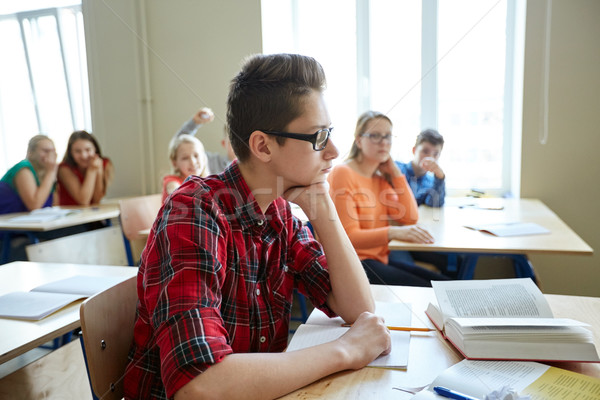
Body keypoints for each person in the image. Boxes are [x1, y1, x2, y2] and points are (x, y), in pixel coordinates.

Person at [124, 54, 391, 400]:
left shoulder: (278, 211)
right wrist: (345, 351)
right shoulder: (194, 212)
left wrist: (322, 208)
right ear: (263, 145)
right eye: (319, 137)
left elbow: (358, 309)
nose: (334, 151)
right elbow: (200, 385)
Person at [328, 111, 450, 287]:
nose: (384, 142)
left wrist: (395, 174)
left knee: (446, 284)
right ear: (359, 140)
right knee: (434, 289)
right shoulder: (342, 173)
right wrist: (393, 232)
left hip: (377, 260)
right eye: (375, 136)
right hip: (354, 264)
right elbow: (348, 237)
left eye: (387, 136)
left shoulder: (380, 176)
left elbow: (409, 217)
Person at [0, 134, 57, 214]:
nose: (50, 155)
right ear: (31, 152)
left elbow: (53, 205)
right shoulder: (23, 168)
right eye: (46, 151)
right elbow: (34, 206)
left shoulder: (45, 174)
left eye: (53, 151)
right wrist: (51, 171)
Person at [56, 130, 114, 206]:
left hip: (92, 214)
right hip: (72, 215)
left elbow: (97, 200)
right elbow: (83, 201)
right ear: (71, 153)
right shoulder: (64, 169)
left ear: (95, 149)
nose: (83, 156)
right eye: (77, 151)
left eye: (88, 150)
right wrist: (92, 170)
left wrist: (99, 172)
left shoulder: (104, 163)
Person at [175, 107, 236, 173]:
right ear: (224, 143)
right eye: (233, 142)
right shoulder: (211, 162)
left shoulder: (248, 169)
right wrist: (195, 122)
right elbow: (178, 143)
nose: (239, 146)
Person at [395, 128, 446, 207]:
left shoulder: (432, 182)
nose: (430, 157)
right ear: (414, 150)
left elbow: (434, 204)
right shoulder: (396, 169)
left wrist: (440, 177)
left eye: (435, 154)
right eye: (425, 151)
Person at [162, 133, 209, 201]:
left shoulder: (206, 182)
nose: (193, 162)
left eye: (196, 156)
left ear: (204, 158)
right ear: (174, 163)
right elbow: (177, 194)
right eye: (185, 158)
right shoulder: (172, 182)